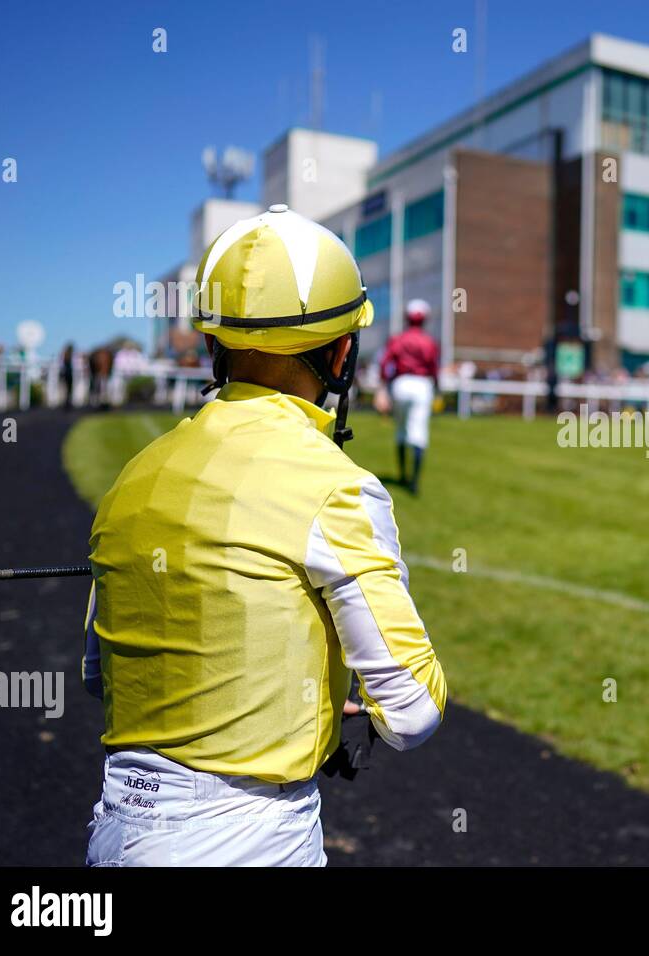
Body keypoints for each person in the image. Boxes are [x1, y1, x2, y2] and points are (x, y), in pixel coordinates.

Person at [82, 205, 446, 866]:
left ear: (214, 343)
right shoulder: (336, 485)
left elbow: (95, 674)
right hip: (247, 839)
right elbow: (412, 709)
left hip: (113, 830)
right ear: (342, 351)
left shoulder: (132, 477)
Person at [379, 299, 440, 495]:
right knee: (418, 431)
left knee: (401, 430)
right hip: (422, 385)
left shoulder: (398, 339)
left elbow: (385, 363)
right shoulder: (429, 341)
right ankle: (414, 482)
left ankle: (402, 475)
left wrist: (383, 387)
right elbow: (434, 368)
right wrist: (437, 388)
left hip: (401, 384)